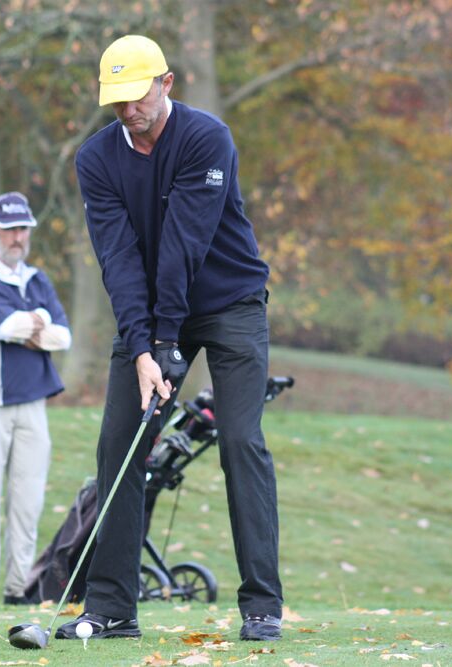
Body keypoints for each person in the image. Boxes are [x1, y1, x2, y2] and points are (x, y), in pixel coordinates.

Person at [55, 35, 283, 641]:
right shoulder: (96, 160)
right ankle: (111, 608)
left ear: (167, 83)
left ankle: (261, 603)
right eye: (116, 101)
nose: (128, 110)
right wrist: (142, 348)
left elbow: (185, 242)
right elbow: (120, 260)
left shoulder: (207, 138)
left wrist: (166, 345)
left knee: (240, 441)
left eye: (137, 96)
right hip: (152, 314)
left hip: (231, 303)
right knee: (119, 444)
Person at [0, 191, 71, 606]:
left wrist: (36, 327)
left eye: (23, 229)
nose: (17, 237)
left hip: (33, 402)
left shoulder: (37, 279)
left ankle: (19, 587)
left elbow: (64, 336)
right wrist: (39, 322)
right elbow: (4, 327)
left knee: (29, 499)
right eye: (9, 229)